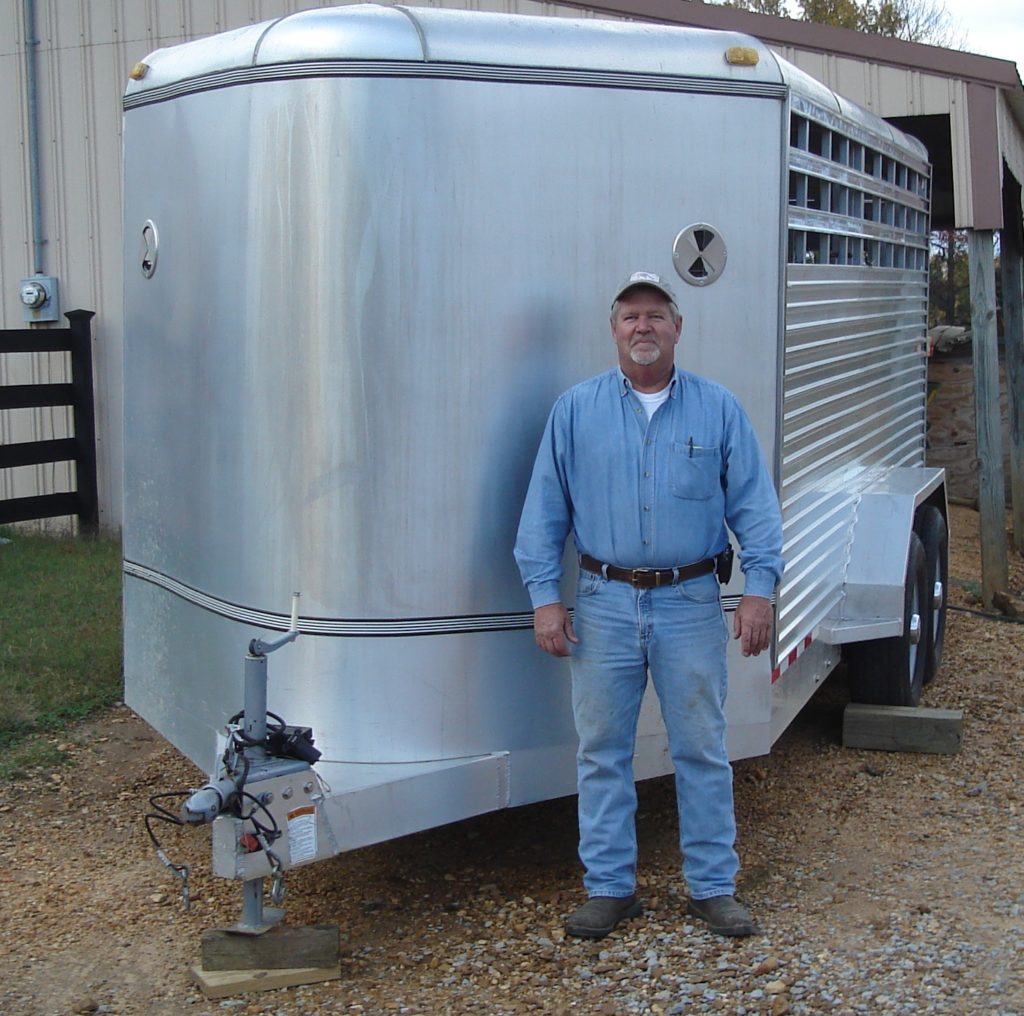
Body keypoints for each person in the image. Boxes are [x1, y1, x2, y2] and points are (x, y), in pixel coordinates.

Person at [514, 271, 784, 940]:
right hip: (603, 602)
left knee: (700, 746)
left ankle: (713, 887)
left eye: (655, 316)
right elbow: (544, 512)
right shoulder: (574, 411)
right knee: (602, 749)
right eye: (630, 316)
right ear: (613, 330)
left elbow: (755, 507)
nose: (643, 327)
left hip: (691, 603)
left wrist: (760, 589)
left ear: (677, 328)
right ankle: (609, 888)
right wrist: (546, 599)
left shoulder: (718, 410)